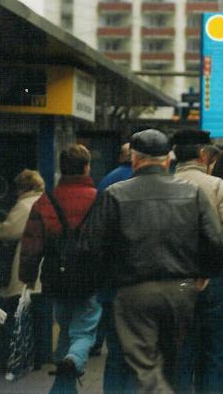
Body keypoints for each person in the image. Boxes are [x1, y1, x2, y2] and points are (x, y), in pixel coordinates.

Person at [77, 129, 223, 393]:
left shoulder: (114, 194)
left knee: (125, 361)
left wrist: (105, 284)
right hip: (180, 292)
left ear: (135, 160)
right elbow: (218, 243)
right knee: (175, 363)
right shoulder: (193, 193)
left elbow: (88, 248)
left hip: (130, 292)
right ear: (168, 160)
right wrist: (204, 273)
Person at [19, 145, 102, 393]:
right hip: (90, 278)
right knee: (85, 332)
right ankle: (73, 360)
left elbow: (32, 243)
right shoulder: (99, 199)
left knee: (65, 327)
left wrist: (27, 276)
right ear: (86, 167)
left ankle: (62, 387)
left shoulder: (46, 201)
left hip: (57, 277)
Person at [173, 129, 223, 394]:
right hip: (214, 278)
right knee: (216, 352)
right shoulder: (217, 187)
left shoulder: (165, 185)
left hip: (174, 280)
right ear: (204, 155)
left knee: (181, 353)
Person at [0, 170, 49, 369]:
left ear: (24, 188)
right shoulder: (46, 202)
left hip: (26, 268)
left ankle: (23, 356)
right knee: (40, 317)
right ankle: (41, 357)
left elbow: (8, 232)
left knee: (20, 315)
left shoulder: (24, 205)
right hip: (45, 269)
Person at [91, 143, 134, 392]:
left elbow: (97, 235)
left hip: (112, 283)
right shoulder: (163, 185)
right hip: (143, 284)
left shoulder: (108, 182)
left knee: (116, 351)